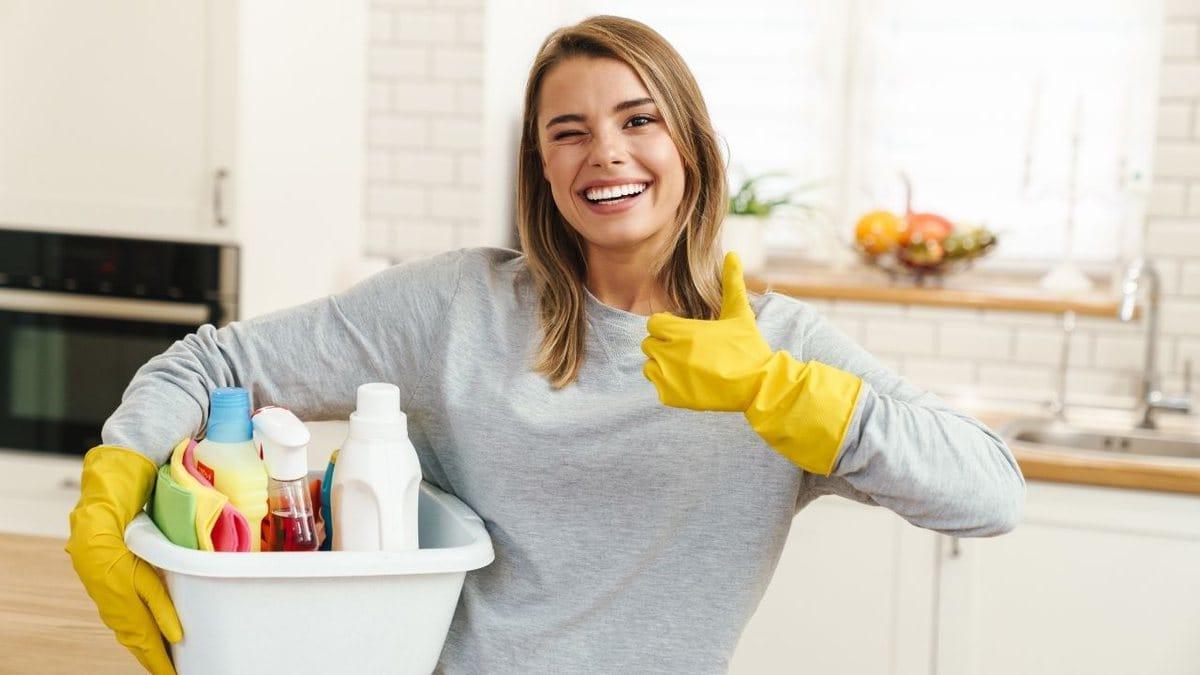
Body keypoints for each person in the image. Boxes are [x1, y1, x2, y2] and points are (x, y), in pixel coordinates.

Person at [66, 15, 1025, 675]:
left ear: (690, 144)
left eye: (638, 119)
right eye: (568, 132)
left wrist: (784, 395)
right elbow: (210, 363)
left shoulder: (775, 350)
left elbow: (989, 491)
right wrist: (114, 477)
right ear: (542, 169)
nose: (604, 151)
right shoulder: (460, 306)